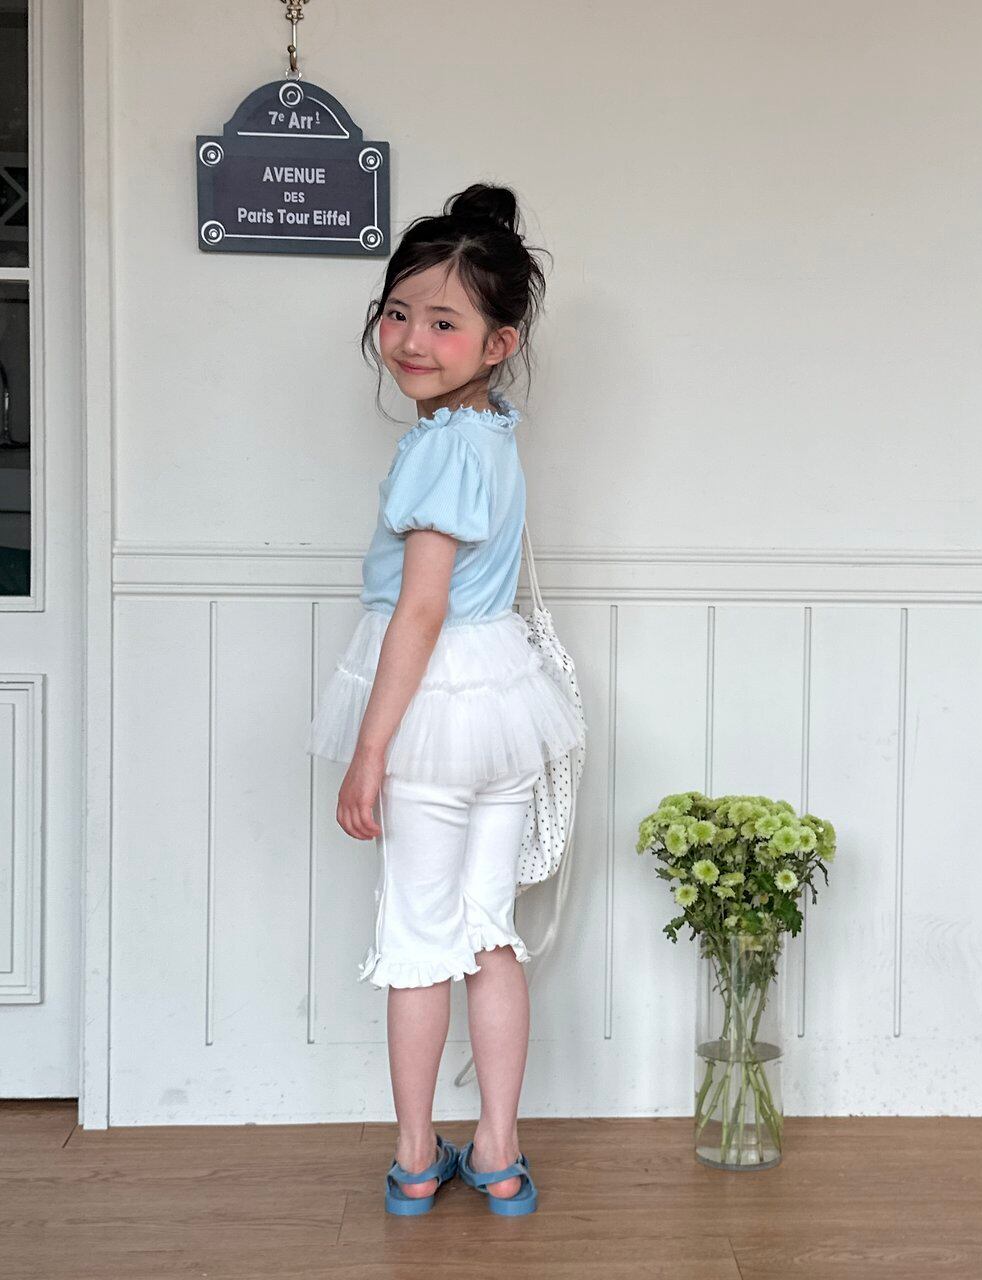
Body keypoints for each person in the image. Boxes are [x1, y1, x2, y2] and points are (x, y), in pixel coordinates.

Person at [306, 183, 585, 1217]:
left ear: (500, 342)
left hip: (434, 710)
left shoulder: (439, 446)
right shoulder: (493, 432)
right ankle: (499, 1155)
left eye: (443, 322)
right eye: (398, 313)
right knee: (488, 931)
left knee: (422, 939)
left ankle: (419, 1157)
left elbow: (420, 609)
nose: (412, 340)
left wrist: (370, 749)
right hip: (501, 702)